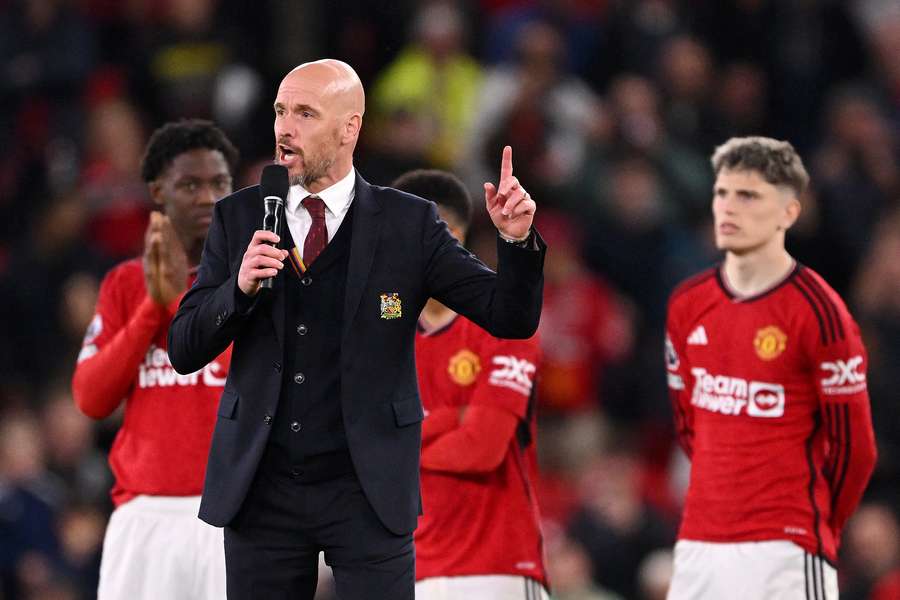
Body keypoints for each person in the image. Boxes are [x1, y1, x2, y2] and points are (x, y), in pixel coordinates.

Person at [167, 59, 544, 600]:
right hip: (261, 486)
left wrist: (516, 243)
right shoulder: (239, 216)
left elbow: (509, 317)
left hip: (367, 486)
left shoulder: (409, 222)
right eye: (279, 111)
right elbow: (184, 347)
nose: (283, 128)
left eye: (304, 113)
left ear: (350, 129)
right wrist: (238, 289)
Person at [664, 137, 877, 600]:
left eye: (748, 195)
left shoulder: (819, 311)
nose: (728, 207)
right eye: (722, 193)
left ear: (788, 214)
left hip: (786, 546)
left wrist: (814, 522)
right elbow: (689, 426)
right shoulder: (686, 305)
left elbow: (855, 449)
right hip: (701, 544)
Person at [71, 119, 239, 599]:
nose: (208, 197)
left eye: (219, 183)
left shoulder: (258, 280)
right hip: (145, 517)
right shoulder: (125, 284)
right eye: (190, 184)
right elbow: (91, 398)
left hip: (234, 513)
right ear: (157, 192)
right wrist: (153, 308)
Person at [391, 169, 547, 599]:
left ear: (450, 235)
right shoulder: (385, 333)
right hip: (409, 569)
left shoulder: (507, 327)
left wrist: (400, 440)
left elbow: (482, 447)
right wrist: (450, 420)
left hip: (494, 564)